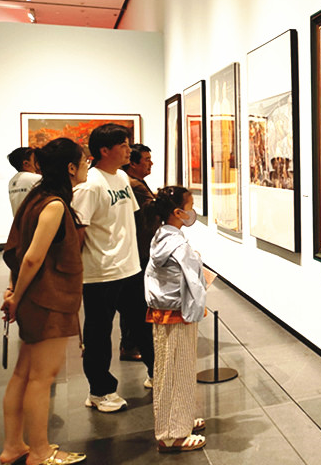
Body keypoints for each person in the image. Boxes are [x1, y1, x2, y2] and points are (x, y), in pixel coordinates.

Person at [0, 138, 88, 465]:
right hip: (48, 301)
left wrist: (13, 292)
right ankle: (40, 451)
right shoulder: (54, 205)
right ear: (70, 168)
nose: (87, 166)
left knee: (24, 374)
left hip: (36, 299)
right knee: (40, 378)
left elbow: (18, 251)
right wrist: (16, 297)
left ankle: (13, 447)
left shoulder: (35, 199)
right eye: (84, 161)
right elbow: (32, 257)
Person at [72, 123, 150, 412]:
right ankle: (100, 391)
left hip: (130, 268)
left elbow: (130, 220)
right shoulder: (90, 185)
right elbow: (78, 231)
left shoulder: (122, 177)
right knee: (98, 335)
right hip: (101, 272)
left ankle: (157, 373)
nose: (129, 150)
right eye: (124, 145)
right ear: (104, 150)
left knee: (144, 327)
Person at [144, 186, 209, 453]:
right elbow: (194, 283)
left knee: (167, 369)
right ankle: (172, 434)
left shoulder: (161, 237)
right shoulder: (179, 245)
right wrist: (197, 307)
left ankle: (179, 419)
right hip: (178, 314)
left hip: (164, 312)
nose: (192, 211)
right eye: (190, 206)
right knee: (177, 371)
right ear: (177, 212)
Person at [117, 144, 159, 368]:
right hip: (139, 250)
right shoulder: (134, 185)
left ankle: (132, 343)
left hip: (140, 248)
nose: (150, 163)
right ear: (132, 163)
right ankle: (131, 344)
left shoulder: (134, 183)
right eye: (146, 159)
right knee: (134, 302)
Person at [7, 147, 42, 215]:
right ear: (26, 163)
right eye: (35, 159)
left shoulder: (12, 181)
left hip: (18, 220)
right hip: (35, 220)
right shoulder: (36, 178)